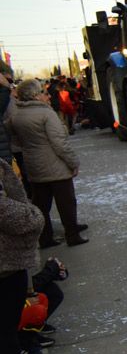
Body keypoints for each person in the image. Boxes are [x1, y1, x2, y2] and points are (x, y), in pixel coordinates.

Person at [0, 158, 54, 354]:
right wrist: (32, 217)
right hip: (4, 267)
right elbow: (5, 212)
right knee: (5, 335)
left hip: (8, 265)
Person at [4, 79, 88, 248]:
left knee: (41, 203)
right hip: (55, 165)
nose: (48, 96)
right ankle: (72, 234)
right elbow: (60, 143)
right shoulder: (46, 114)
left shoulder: (16, 116)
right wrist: (73, 162)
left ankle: (44, 237)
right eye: (44, 92)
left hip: (33, 166)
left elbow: (13, 138)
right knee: (66, 202)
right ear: (36, 95)